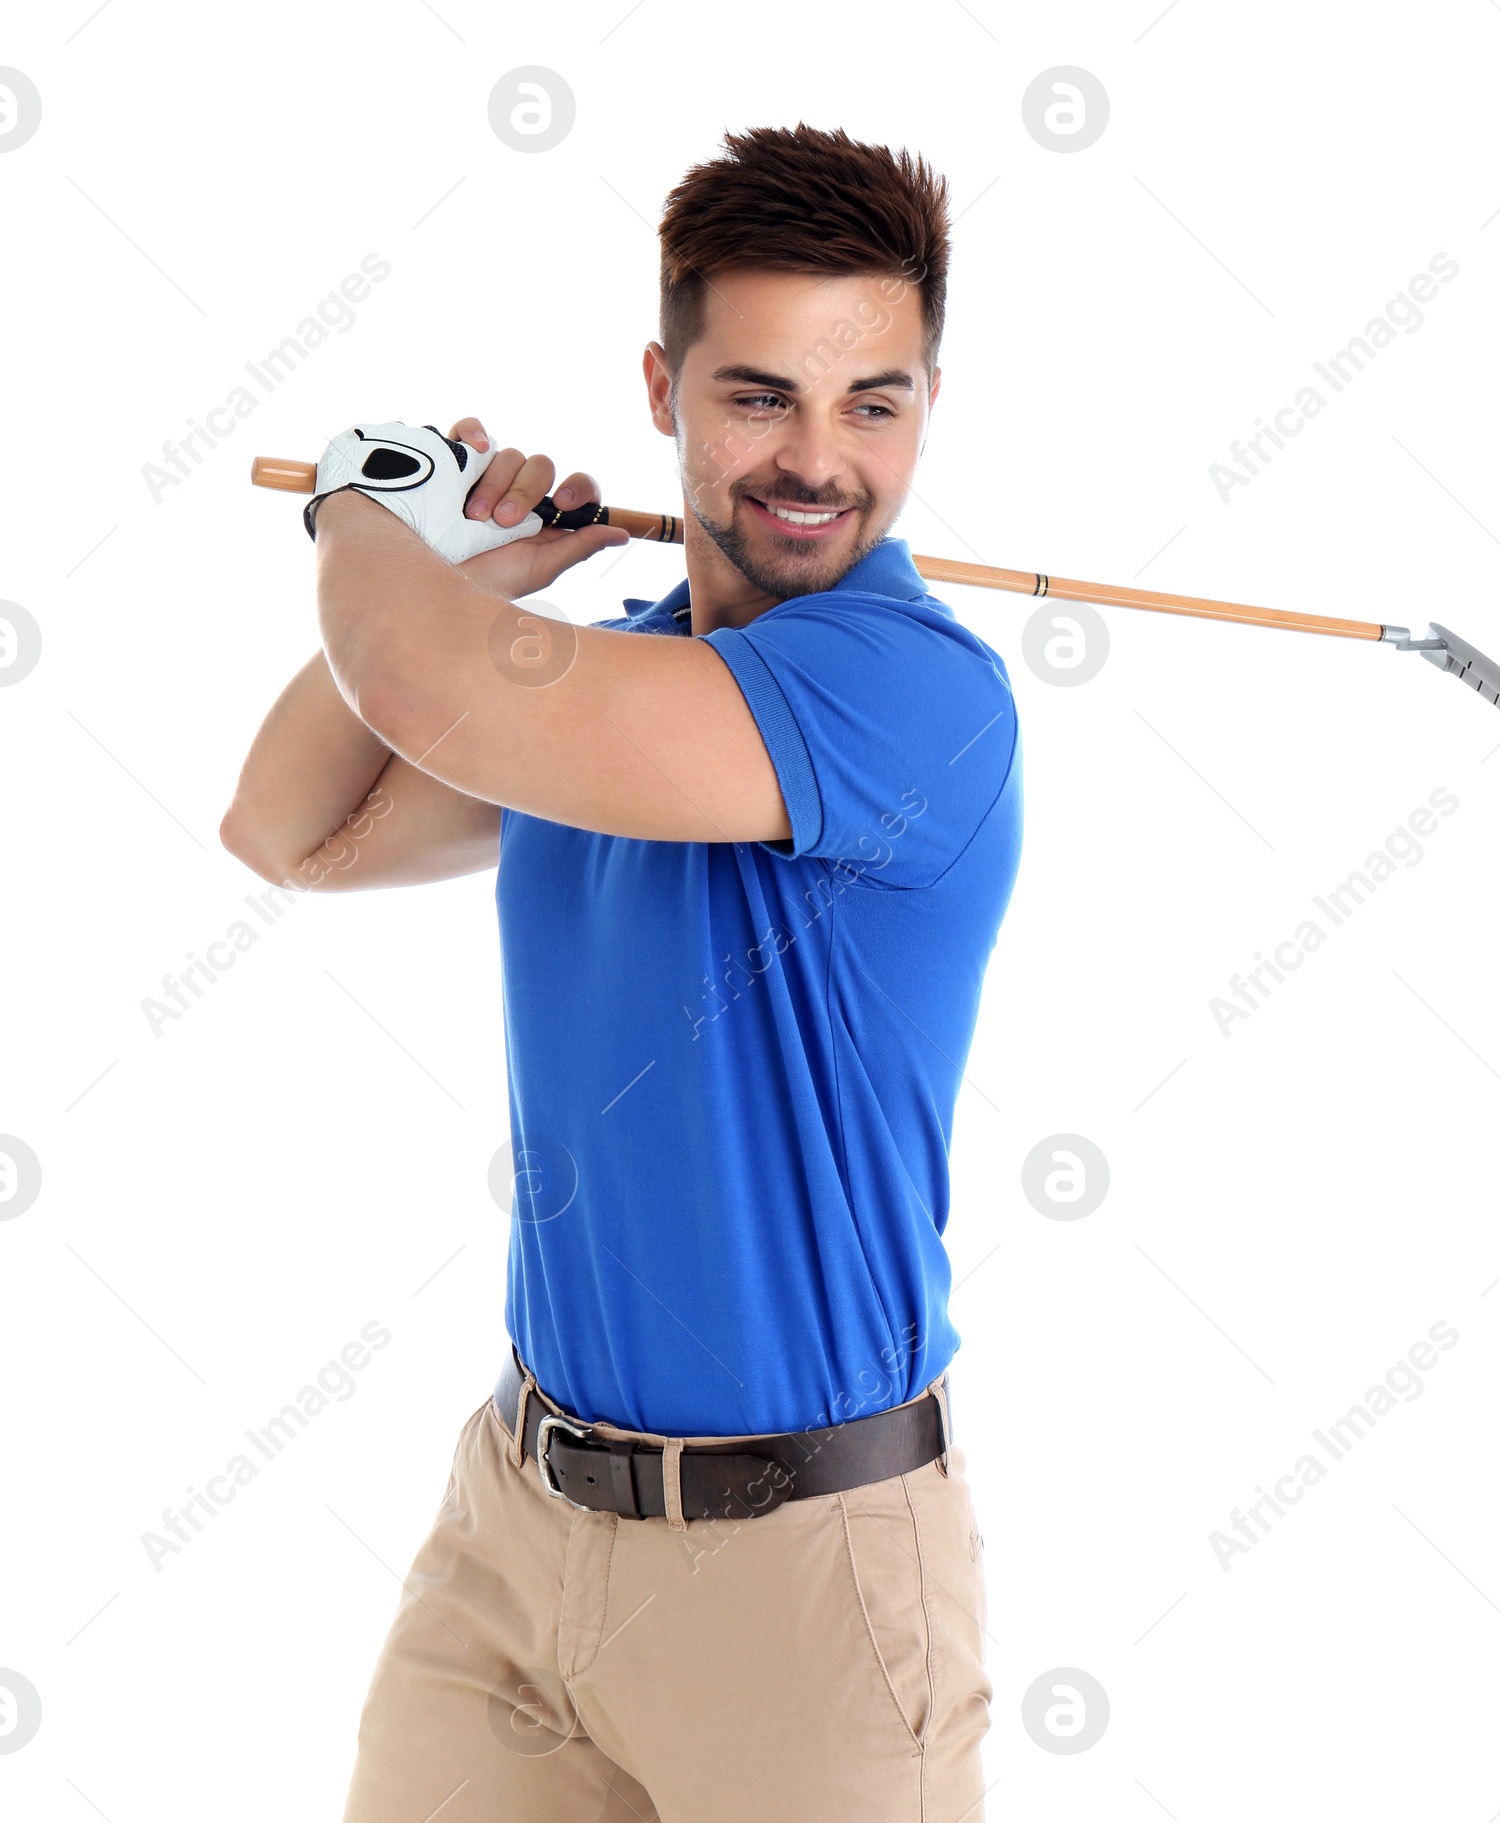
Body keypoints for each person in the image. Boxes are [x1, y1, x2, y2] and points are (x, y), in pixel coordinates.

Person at [221, 122, 1023, 1823]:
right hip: (521, 1527)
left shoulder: (907, 696)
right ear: (662, 386)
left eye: (872, 401)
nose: (818, 460)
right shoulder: (613, 675)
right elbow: (292, 832)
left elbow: (432, 692)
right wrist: (472, 573)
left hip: (803, 1584)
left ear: (929, 402)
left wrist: (371, 514)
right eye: (760, 397)